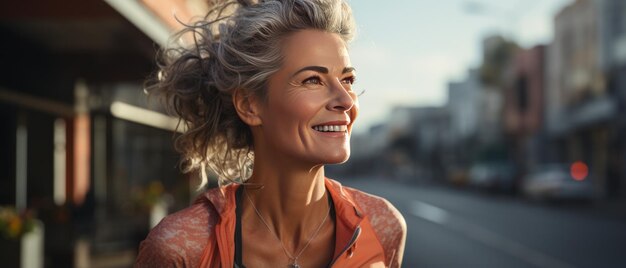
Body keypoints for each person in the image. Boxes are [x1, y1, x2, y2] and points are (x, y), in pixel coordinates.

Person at [135, 0, 406, 267]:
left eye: (347, 80)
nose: (346, 101)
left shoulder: (384, 226)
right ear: (249, 105)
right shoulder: (181, 249)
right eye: (313, 80)